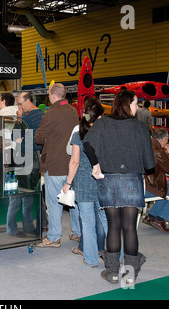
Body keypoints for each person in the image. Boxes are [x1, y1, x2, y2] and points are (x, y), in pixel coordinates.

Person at [83, 90, 155, 284]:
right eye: (135, 103)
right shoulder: (140, 127)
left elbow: (87, 143)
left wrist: (96, 164)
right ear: (127, 104)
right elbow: (150, 164)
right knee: (129, 227)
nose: (137, 107)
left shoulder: (102, 123)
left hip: (107, 179)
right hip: (131, 178)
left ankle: (113, 272)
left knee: (113, 226)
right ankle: (130, 274)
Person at [62, 98, 107, 267]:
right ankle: (115, 256)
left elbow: (74, 162)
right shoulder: (105, 134)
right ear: (100, 117)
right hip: (103, 181)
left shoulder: (78, 135)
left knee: (87, 222)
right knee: (106, 221)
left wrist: (68, 183)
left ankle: (90, 258)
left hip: (83, 182)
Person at [34, 83, 80, 248]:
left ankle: (53, 237)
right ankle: (77, 232)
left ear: (52, 95)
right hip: (73, 164)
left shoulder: (50, 114)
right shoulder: (74, 111)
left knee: (54, 202)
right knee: (72, 200)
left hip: (54, 164)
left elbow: (39, 138)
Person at [6, 93, 44, 237]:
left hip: (21, 161)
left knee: (16, 197)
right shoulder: (41, 115)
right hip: (27, 162)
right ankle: (24, 227)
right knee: (25, 197)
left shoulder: (26, 118)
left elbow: (15, 137)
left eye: (20, 104)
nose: (19, 107)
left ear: (28, 101)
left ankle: (14, 228)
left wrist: (19, 121)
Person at [143, 128, 169, 233]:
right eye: (167, 139)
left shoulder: (145, 145)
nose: (167, 142)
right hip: (148, 188)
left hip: (140, 185)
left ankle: (151, 216)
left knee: (166, 189)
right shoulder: (158, 151)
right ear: (163, 139)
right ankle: (160, 220)